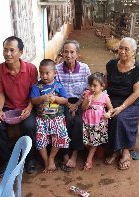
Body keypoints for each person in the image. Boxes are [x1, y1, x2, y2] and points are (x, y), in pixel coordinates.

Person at [0, 36, 38, 178]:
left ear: (20, 52)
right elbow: (1, 93)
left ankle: (30, 160)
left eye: (12, 50)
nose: (8, 54)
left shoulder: (30, 69)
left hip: (27, 106)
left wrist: (29, 108)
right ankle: (6, 161)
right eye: (5, 50)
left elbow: (34, 93)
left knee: (29, 126)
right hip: (8, 108)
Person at [104, 37, 139, 170]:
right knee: (101, 114)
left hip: (131, 101)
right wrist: (96, 93)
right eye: (120, 48)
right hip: (112, 98)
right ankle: (115, 149)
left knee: (120, 118)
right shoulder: (111, 64)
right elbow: (105, 83)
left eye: (126, 49)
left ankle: (126, 150)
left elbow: (136, 93)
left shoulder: (138, 68)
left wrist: (122, 107)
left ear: (133, 51)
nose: (122, 51)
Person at [55, 40, 91, 172]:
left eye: (72, 52)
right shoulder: (57, 69)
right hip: (63, 101)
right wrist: (68, 104)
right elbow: (56, 90)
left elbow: (88, 90)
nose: (68, 55)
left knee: (79, 121)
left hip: (80, 102)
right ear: (62, 53)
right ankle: (64, 153)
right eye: (65, 51)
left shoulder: (85, 68)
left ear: (78, 54)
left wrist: (76, 105)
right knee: (65, 120)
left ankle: (75, 153)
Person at [30, 59, 70, 173]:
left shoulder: (58, 85)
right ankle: (46, 160)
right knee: (40, 138)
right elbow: (33, 101)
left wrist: (56, 98)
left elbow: (65, 100)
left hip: (56, 117)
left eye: (47, 73)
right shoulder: (37, 86)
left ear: (55, 73)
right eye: (41, 73)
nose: (44, 76)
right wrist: (42, 98)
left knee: (60, 134)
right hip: (42, 118)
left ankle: (52, 157)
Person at [81, 72, 113, 170]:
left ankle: (89, 160)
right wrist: (87, 101)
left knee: (94, 141)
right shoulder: (87, 94)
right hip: (87, 122)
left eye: (95, 85)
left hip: (98, 123)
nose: (92, 88)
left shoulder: (104, 97)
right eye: (90, 85)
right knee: (86, 141)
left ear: (102, 86)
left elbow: (111, 109)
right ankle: (95, 150)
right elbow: (83, 108)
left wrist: (108, 113)